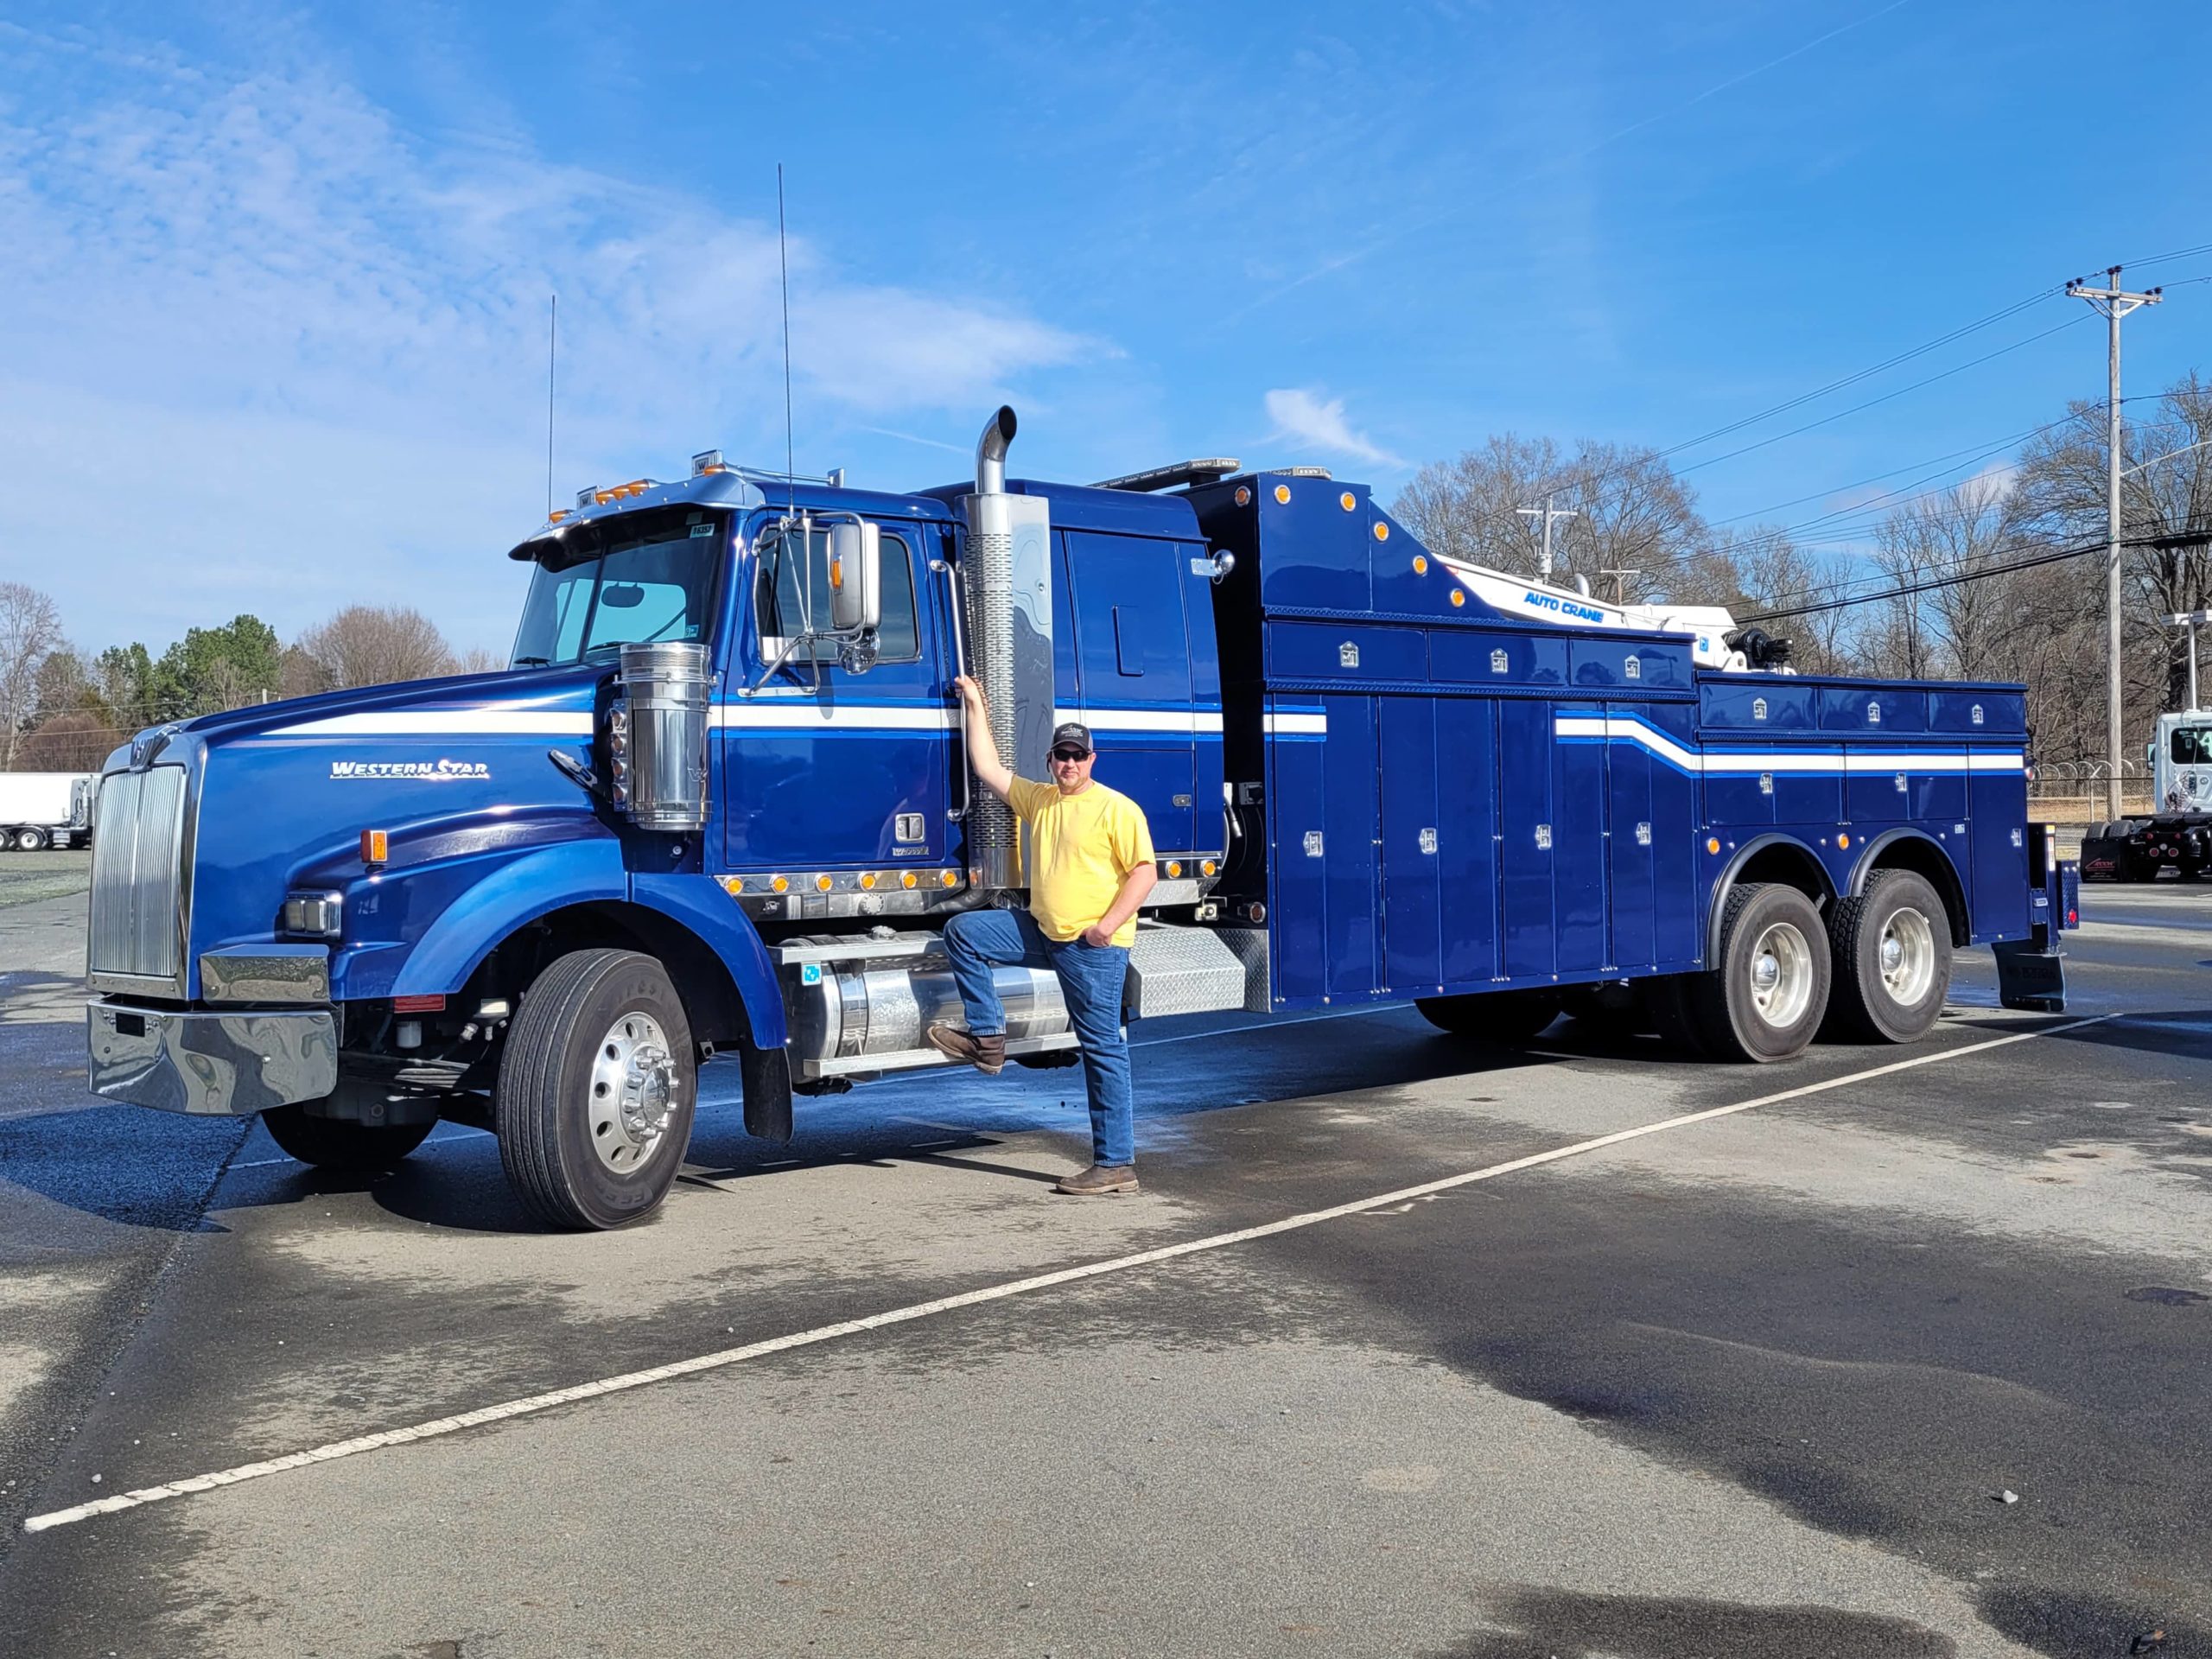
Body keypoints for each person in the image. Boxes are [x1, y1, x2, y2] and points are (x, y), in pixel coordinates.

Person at [928, 674, 1157, 1195]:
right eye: (1061, 756)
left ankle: (1116, 1164)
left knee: (1103, 1050)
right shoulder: (1041, 799)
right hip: (1042, 932)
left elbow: (1145, 872)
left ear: (1092, 760)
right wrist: (976, 702)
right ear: (1051, 760)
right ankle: (988, 1040)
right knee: (965, 931)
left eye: (1078, 756)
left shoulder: (1116, 809)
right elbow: (987, 767)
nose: (1069, 764)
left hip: (1091, 948)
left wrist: (1105, 928)